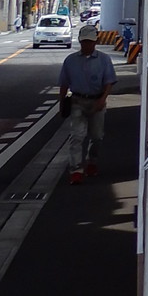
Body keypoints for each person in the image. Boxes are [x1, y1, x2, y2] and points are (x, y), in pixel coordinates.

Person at [57, 23, 116, 186]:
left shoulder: (104, 60)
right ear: (80, 41)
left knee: (97, 136)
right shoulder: (70, 61)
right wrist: (62, 103)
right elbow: (63, 84)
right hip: (77, 101)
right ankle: (76, 170)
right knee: (77, 136)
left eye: (90, 42)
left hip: (97, 100)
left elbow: (109, 82)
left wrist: (102, 100)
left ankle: (92, 161)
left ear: (95, 42)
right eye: (84, 42)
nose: (87, 45)